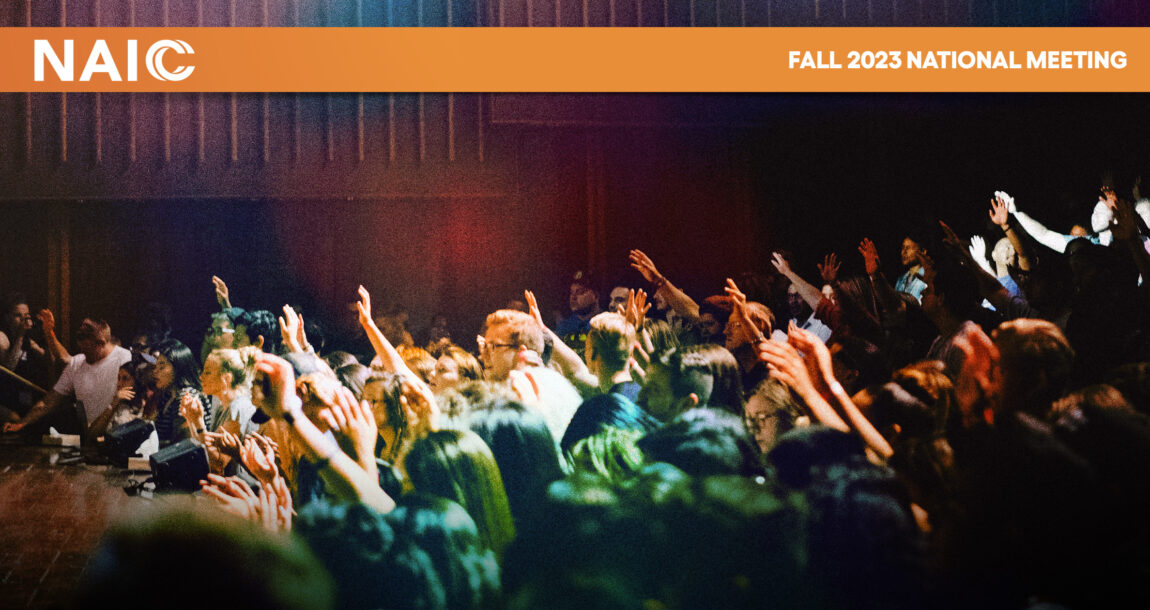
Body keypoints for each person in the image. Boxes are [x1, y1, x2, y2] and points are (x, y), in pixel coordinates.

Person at [3, 318, 131, 434]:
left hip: (121, 430)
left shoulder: (126, 359)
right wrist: (22, 423)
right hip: (90, 435)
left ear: (101, 344)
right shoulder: (77, 363)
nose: (84, 355)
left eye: (88, 351)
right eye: (82, 350)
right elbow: (48, 402)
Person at [146, 339, 210, 445]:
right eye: (156, 366)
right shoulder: (167, 395)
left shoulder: (186, 396)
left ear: (178, 368)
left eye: (162, 367)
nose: (155, 371)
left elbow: (183, 443)